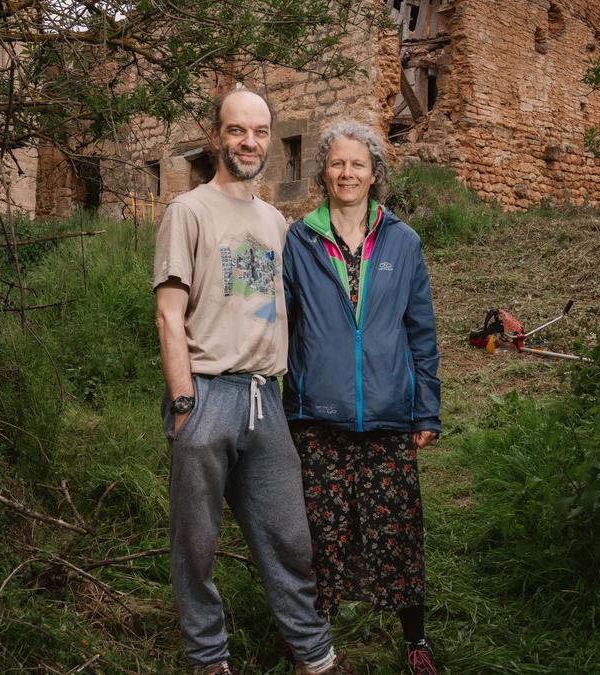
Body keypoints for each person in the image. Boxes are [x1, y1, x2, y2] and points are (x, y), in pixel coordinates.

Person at [153, 88, 352, 675]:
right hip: (206, 393)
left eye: (260, 132)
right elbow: (168, 312)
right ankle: (209, 659)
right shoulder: (187, 211)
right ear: (217, 136)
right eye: (238, 130)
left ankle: (313, 656)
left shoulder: (275, 222)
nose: (250, 142)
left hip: (265, 401)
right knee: (196, 545)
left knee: (291, 536)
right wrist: (184, 401)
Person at [281, 120, 442, 675]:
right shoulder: (298, 240)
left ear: (375, 174)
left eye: (358, 164)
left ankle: (415, 641)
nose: (347, 173)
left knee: (398, 525)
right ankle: (312, 647)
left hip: (389, 412)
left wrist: (427, 408)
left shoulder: (402, 240)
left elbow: (420, 332)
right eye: (337, 164)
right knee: (318, 531)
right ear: (323, 172)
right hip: (315, 417)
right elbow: (281, 325)